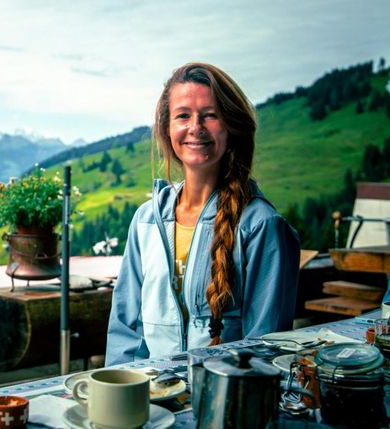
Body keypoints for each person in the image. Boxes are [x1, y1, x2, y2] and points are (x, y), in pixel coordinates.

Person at [105, 62, 300, 365]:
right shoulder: (146, 221)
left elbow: (265, 350)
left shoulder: (261, 226)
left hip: (222, 403)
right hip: (152, 403)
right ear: (167, 128)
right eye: (183, 115)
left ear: (231, 127)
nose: (195, 127)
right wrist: (118, 399)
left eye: (210, 115)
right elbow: (126, 333)